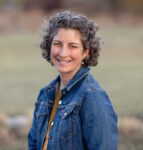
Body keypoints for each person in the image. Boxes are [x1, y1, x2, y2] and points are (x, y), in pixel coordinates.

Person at [28, 11, 119, 150]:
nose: (63, 53)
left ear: (85, 52)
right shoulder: (45, 95)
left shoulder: (93, 97)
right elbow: (33, 145)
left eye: (73, 46)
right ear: (49, 45)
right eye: (58, 43)